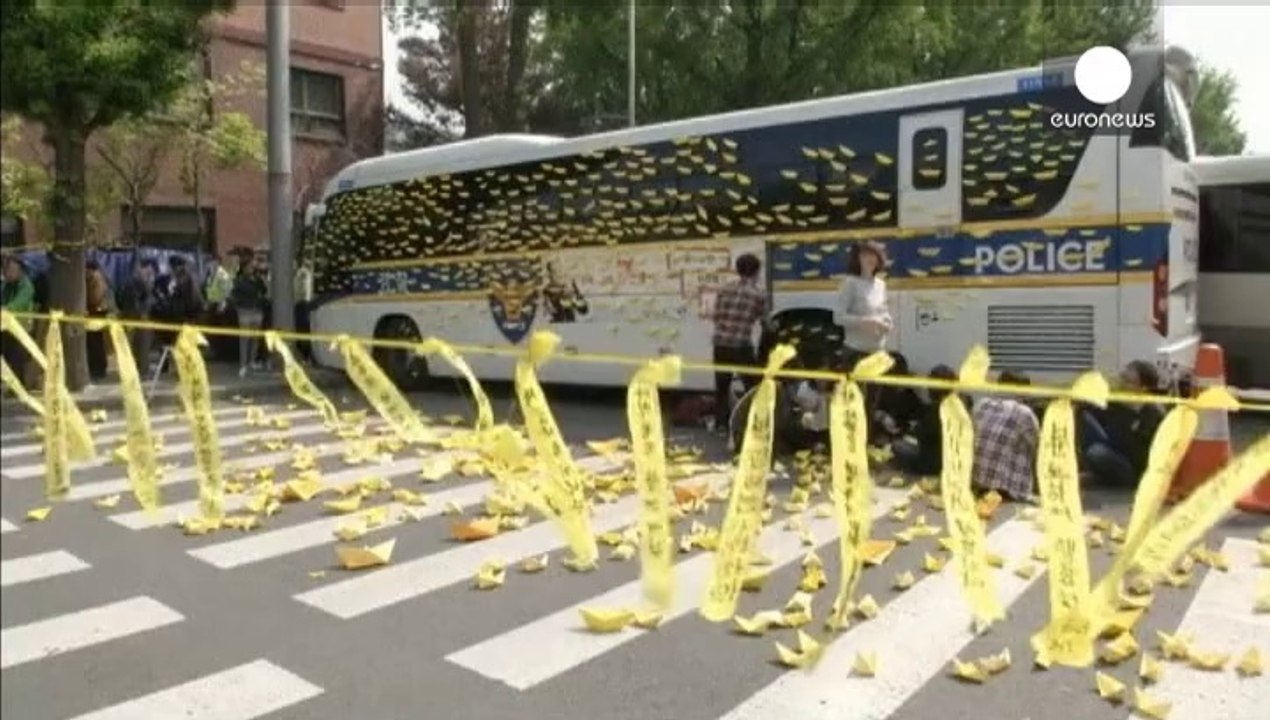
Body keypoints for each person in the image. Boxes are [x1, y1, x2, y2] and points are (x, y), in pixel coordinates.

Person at [1079, 360, 1165, 487]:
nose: (1122, 384)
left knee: (1097, 452)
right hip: (1111, 450)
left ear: (1142, 389)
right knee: (1083, 417)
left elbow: (1143, 455)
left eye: (1128, 381)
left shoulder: (1152, 414)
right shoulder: (1116, 404)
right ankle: (1093, 475)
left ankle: (1099, 478)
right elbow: (1088, 407)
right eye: (1122, 378)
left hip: (1131, 467)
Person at [710, 253, 770, 430]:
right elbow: (766, 323)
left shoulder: (725, 289)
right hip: (741, 346)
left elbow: (716, 316)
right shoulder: (759, 294)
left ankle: (721, 424)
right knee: (752, 386)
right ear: (756, 272)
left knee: (721, 387)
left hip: (720, 344)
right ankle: (753, 421)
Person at [971, 370, 1040, 500]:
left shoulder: (981, 405)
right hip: (1008, 491)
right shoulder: (1024, 413)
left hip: (978, 485)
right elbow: (1041, 448)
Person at [893, 364, 957, 476]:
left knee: (897, 445)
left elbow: (918, 434)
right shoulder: (958, 405)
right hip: (952, 460)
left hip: (932, 463)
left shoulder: (936, 410)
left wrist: (910, 429)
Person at [231, 252, 268, 378]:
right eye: (250, 267)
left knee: (255, 338)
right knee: (245, 339)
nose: (252, 269)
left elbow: (263, 290)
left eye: (253, 267)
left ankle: (251, 361)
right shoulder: (239, 280)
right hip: (245, 311)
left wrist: (260, 279)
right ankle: (243, 364)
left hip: (257, 311)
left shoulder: (256, 279)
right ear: (244, 267)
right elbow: (241, 293)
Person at [1, 255, 36, 387]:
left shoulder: (26, 286)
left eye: (9, 268)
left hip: (22, 330)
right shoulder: (7, 286)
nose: (6, 272)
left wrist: (4, 309)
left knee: (17, 360)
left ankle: (19, 387)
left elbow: (16, 305)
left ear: (19, 269)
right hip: (7, 328)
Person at [117, 258, 157, 372]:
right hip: (139, 316)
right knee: (142, 344)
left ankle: (132, 367)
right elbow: (147, 297)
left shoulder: (128, 280)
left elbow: (119, 297)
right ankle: (142, 368)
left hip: (128, 315)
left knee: (131, 343)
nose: (150, 272)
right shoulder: (140, 280)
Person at [85, 259, 112, 382]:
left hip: (97, 312)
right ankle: (97, 367)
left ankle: (98, 368)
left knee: (95, 341)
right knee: (95, 341)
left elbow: (95, 298)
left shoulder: (96, 279)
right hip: (96, 312)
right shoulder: (96, 278)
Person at [294, 260, 314, 362]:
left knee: (302, 329)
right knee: (303, 329)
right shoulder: (303, 273)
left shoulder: (302, 273)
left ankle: (305, 355)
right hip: (302, 304)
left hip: (302, 304)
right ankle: (305, 355)